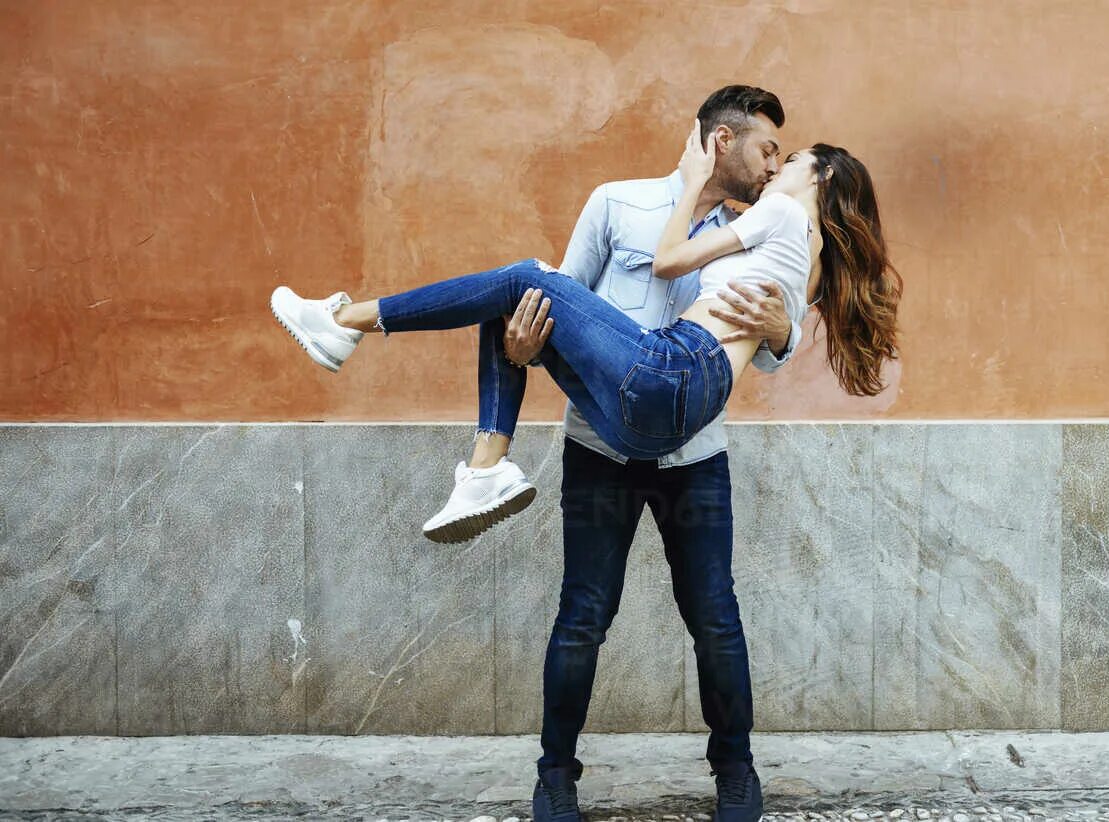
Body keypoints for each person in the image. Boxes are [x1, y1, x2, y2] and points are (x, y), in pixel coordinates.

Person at [271, 87, 901, 820]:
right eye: (767, 150)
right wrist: (522, 350)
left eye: (783, 158)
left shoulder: (763, 222)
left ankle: (735, 769)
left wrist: (784, 331)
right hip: (603, 439)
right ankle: (555, 775)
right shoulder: (617, 203)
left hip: (694, 451)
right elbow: (559, 305)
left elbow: (769, 346)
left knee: (715, 617)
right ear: (720, 142)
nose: (772, 166)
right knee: (582, 614)